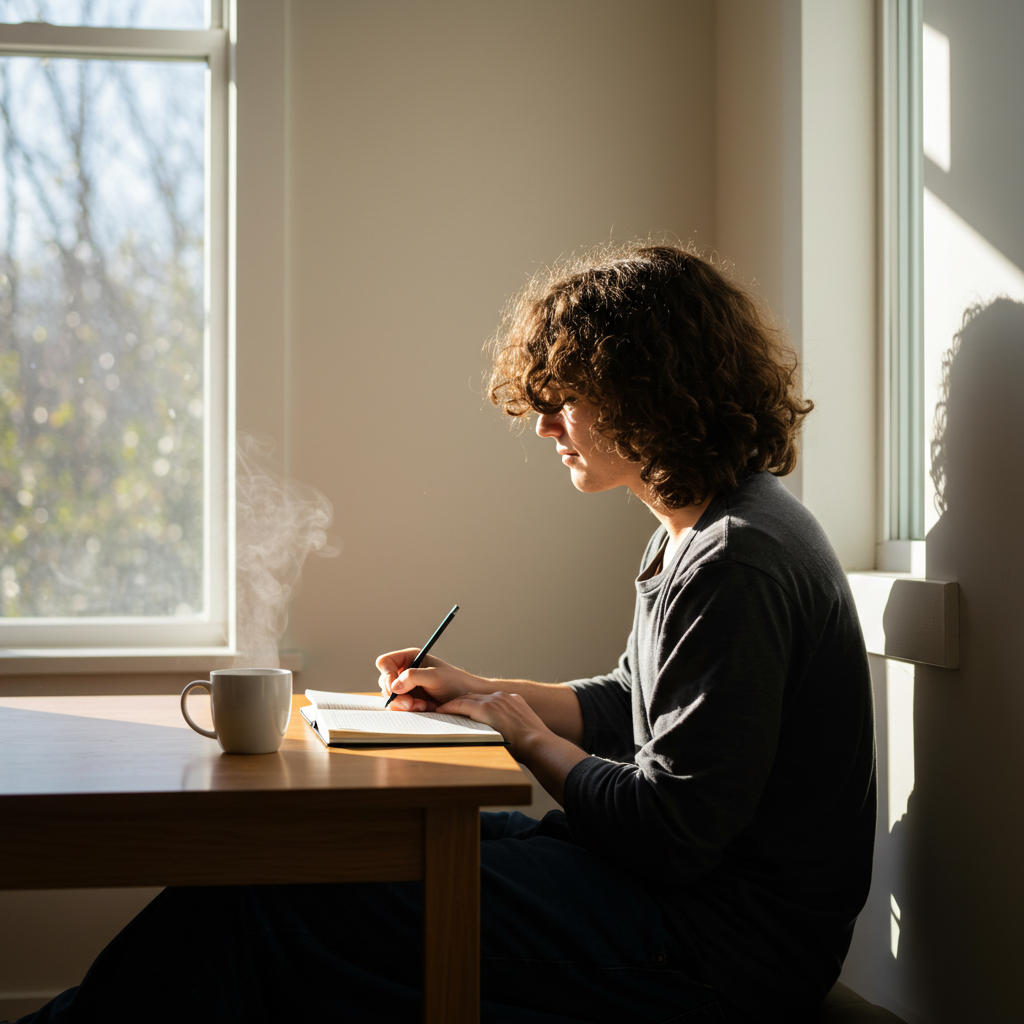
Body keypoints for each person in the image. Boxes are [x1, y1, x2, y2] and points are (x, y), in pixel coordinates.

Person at [16, 244, 874, 1024]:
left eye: (562, 400)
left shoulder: (737, 562)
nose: (542, 426)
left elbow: (672, 831)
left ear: (646, 392)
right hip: (665, 897)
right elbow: (635, 702)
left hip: (716, 946)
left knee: (266, 902)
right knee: (309, 859)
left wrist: (525, 736)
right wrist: (484, 693)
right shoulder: (695, 532)